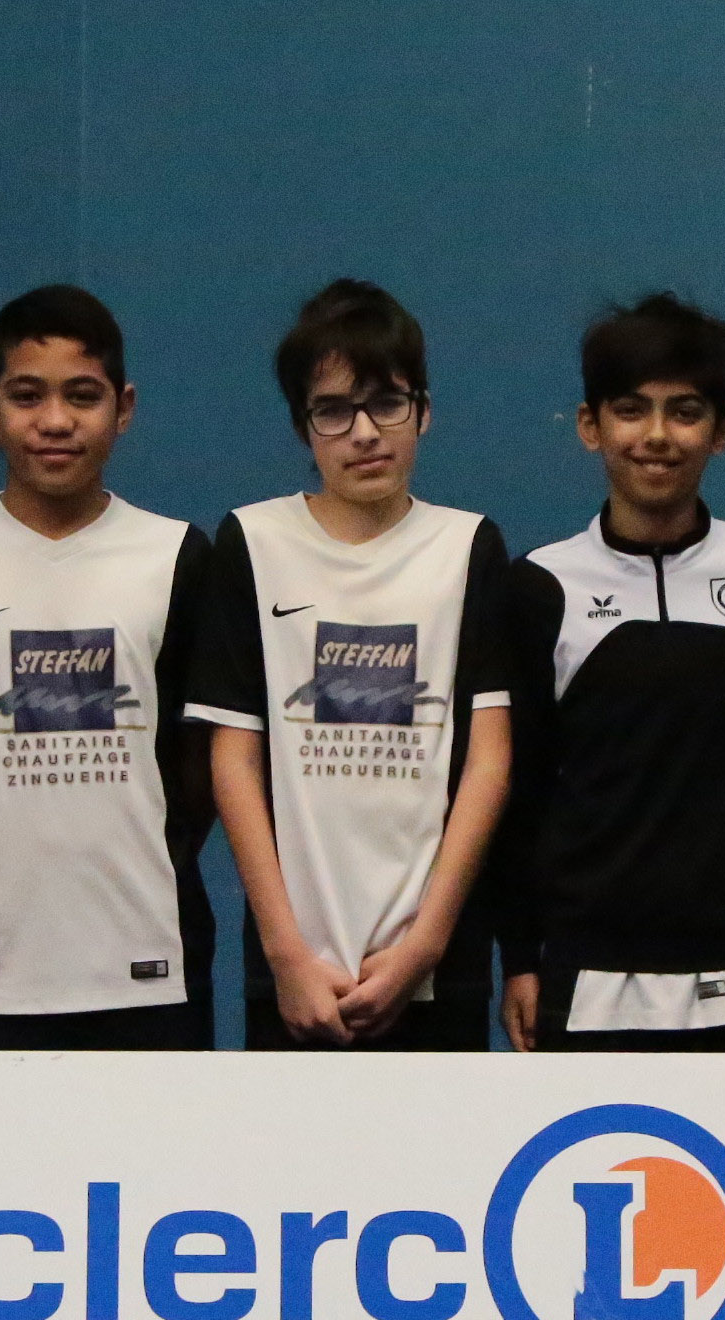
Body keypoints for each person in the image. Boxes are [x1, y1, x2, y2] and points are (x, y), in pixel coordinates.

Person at [191, 279, 514, 1050]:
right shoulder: (252, 542)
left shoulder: (469, 546)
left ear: (423, 410)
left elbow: (489, 760)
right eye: (333, 411)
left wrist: (427, 945)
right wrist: (285, 954)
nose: (364, 433)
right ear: (303, 426)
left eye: (387, 404)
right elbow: (233, 759)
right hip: (297, 974)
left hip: (437, 968)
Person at [0, 284, 218, 1050]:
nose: (54, 420)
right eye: (26, 396)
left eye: (82, 395)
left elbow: (200, 771)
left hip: (150, 967)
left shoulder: (178, 557)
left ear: (124, 407)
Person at [495, 293, 725, 1052]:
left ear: (722, 431)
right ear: (590, 425)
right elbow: (518, 788)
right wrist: (521, 958)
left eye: (685, 412)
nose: (657, 436)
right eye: (631, 410)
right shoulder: (541, 585)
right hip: (578, 977)